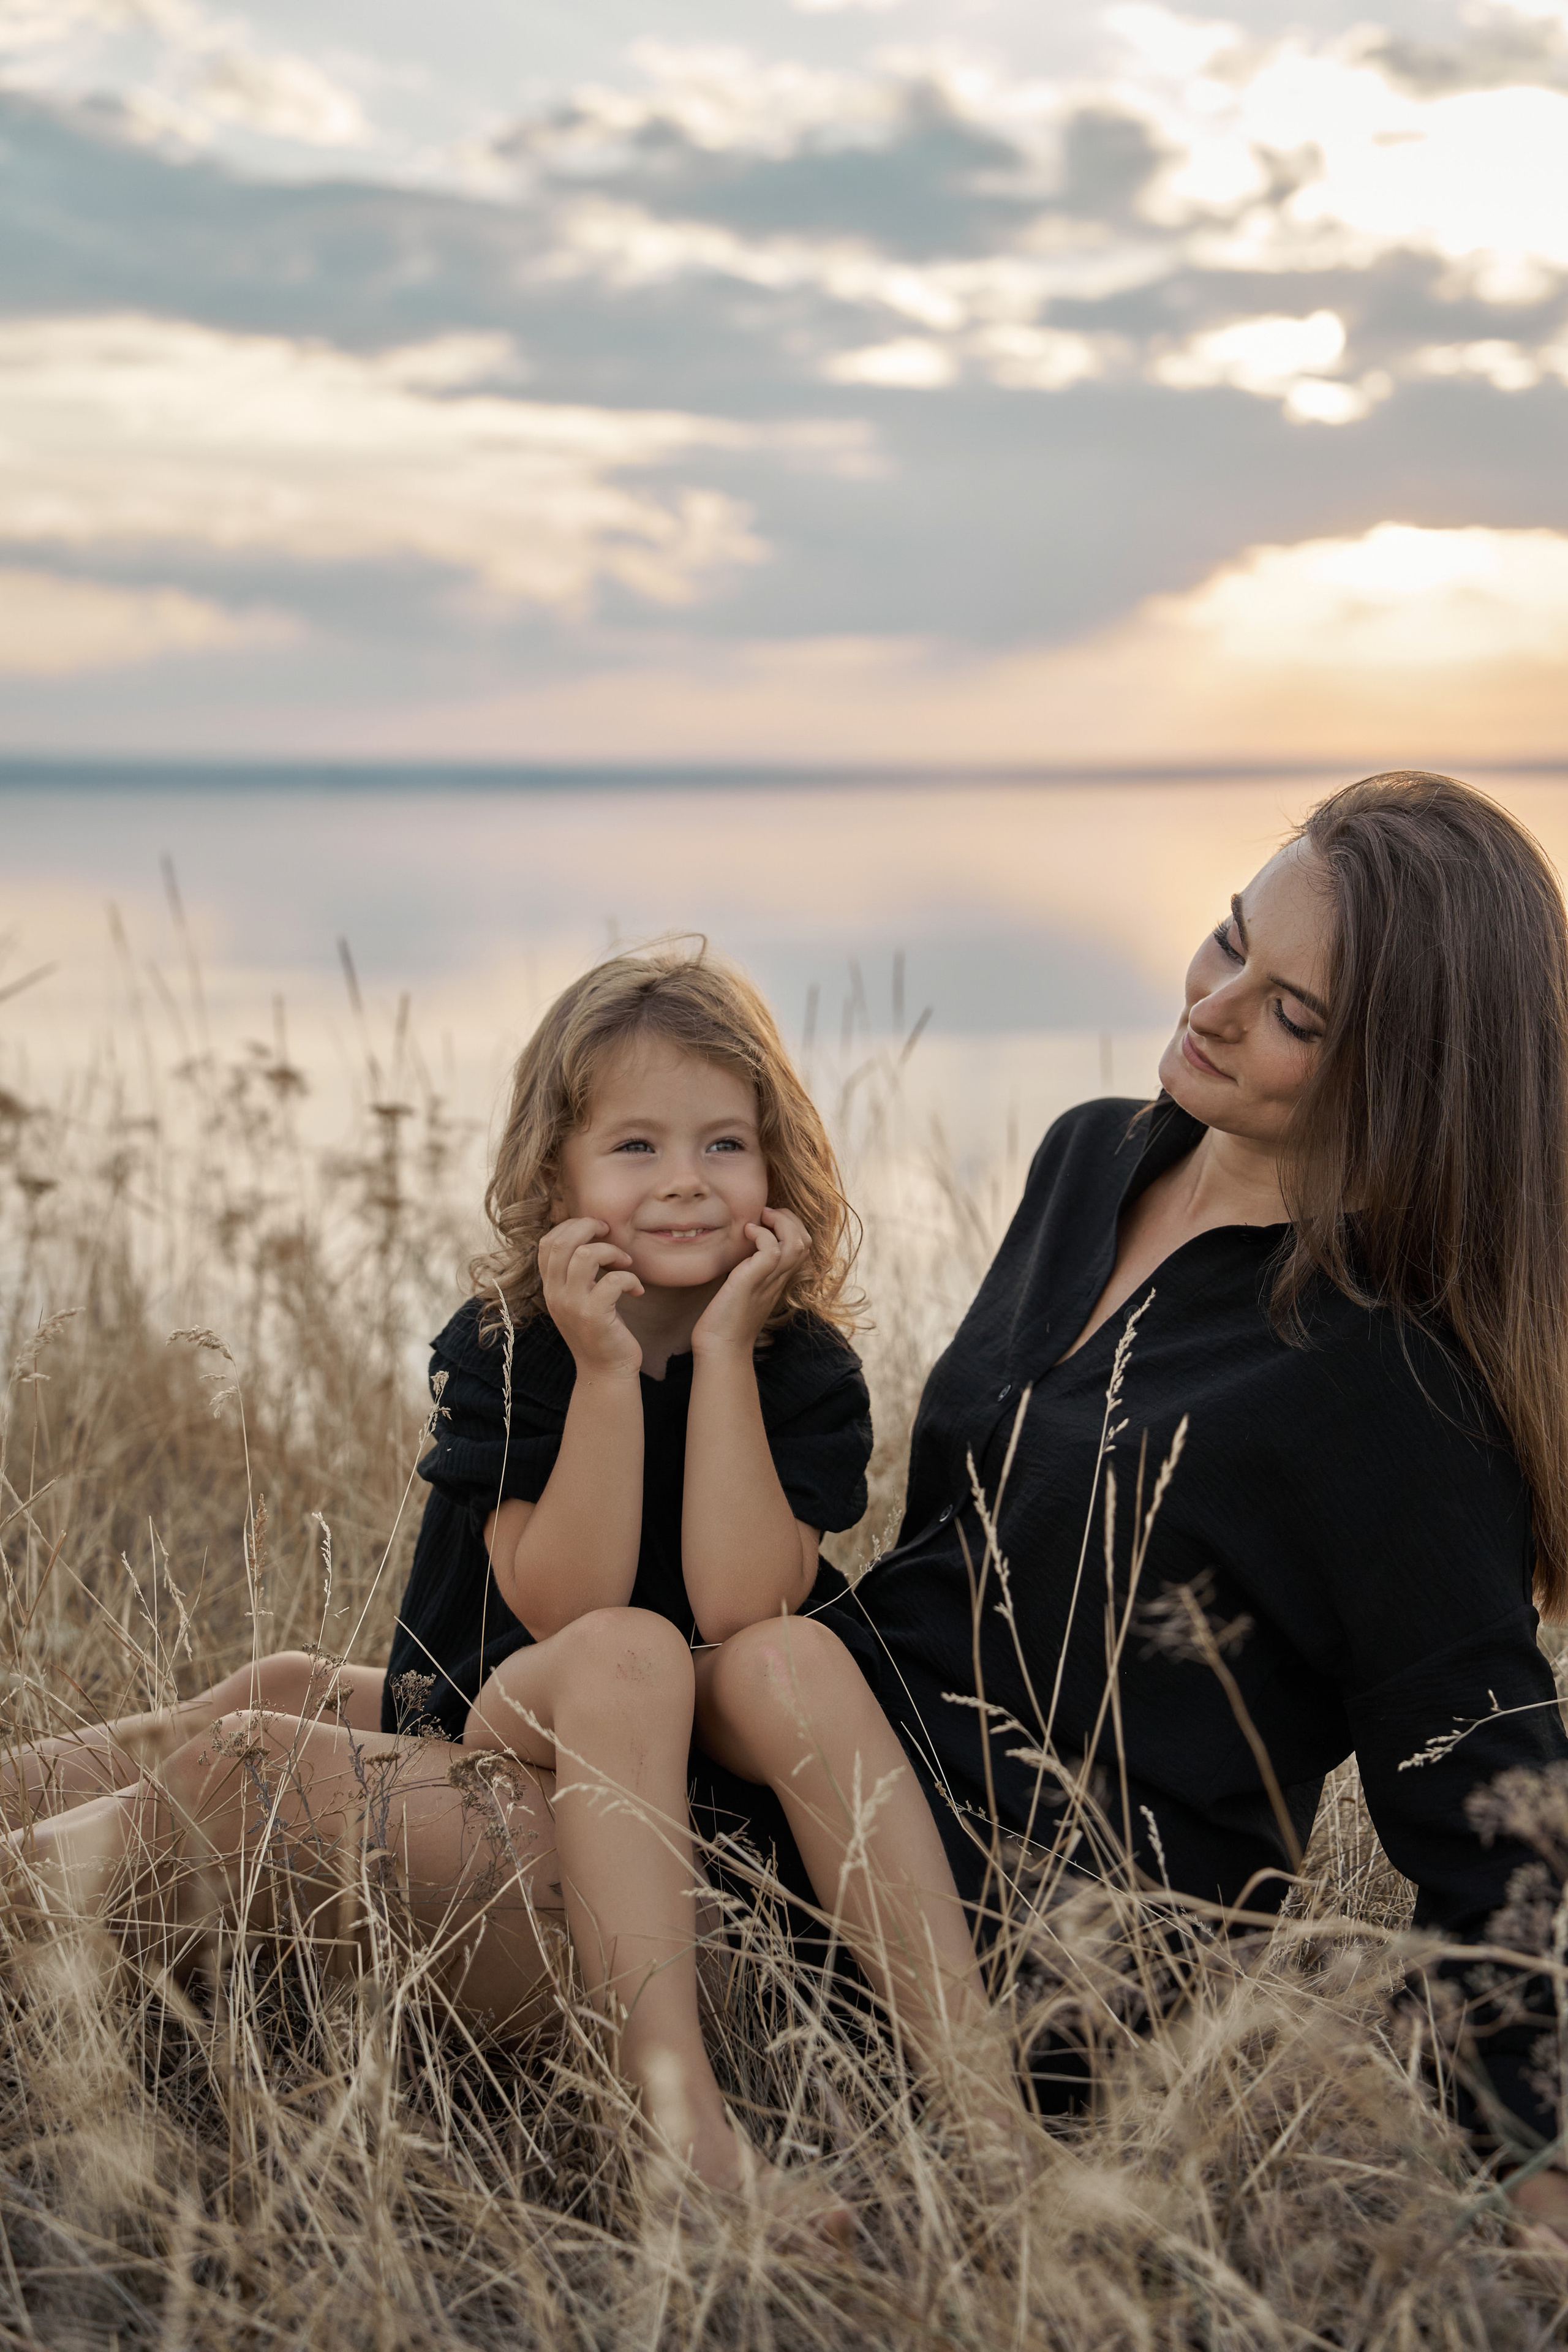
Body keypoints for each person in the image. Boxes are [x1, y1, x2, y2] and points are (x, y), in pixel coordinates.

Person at [691, 772, 1568, 2242]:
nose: (1215, 1005)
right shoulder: (1093, 1155)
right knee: (274, 1722)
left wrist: (1535, 2166)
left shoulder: (1386, 1377)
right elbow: (944, 1567)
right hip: (817, 1766)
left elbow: (1492, 1817)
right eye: (1230, 941)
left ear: (1404, 1079)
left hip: (1001, 1948)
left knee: (251, 1793)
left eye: (1291, 1014)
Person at [2, 944, 1012, 2220]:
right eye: (635, 1148)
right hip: (499, 1705)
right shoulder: (512, 1349)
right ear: (558, 1178)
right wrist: (601, 1372)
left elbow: (738, 1605)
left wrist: (722, 1350)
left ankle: (862, 2134)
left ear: (777, 1168)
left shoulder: (797, 1362)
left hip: (654, 1728)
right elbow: (557, 1599)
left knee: (644, 1654)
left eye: (723, 1146)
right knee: (294, 1686)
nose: (686, 1183)